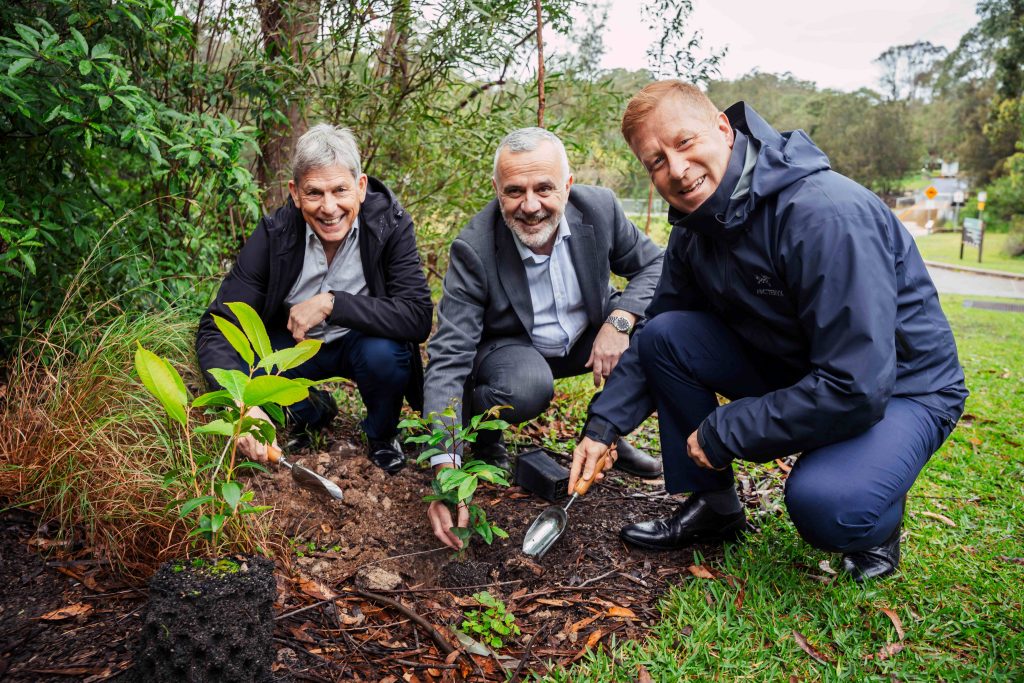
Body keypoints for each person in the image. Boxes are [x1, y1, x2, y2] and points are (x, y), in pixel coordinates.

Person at [570, 81, 968, 582]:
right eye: (655, 161)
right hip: (800, 364)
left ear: (723, 127)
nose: (676, 169)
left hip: (901, 388)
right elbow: (658, 330)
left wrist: (725, 430)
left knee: (828, 503)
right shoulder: (696, 225)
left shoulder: (824, 215)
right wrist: (602, 429)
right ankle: (716, 507)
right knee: (667, 336)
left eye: (685, 142)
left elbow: (859, 385)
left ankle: (877, 516)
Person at [425, 127, 666, 549]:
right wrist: (446, 468)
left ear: (568, 186)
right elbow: (449, 357)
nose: (530, 206)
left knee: (661, 332)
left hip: (586, 336)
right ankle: (486, 438)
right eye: (514, 191)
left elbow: (656, 266)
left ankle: (606, 430)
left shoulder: (601, 209)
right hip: (514, 350)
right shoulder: (474, 246)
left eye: (544, 188)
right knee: (526, 387)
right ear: (497, 190)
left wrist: (621, 320)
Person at [196, 124, 433, 474]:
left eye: (340, 190)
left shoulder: (389, 225)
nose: (329, 207)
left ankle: (383, 436)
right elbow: (218, 326)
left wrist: (332, 303)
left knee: (387, 354)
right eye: (314, 193)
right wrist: (242, 406)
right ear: (294, 193)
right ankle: (311, 410)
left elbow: (417, 316)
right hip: (294, 345)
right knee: (256, 361)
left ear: (361, 187)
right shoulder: (275, 235)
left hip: (363, 342)